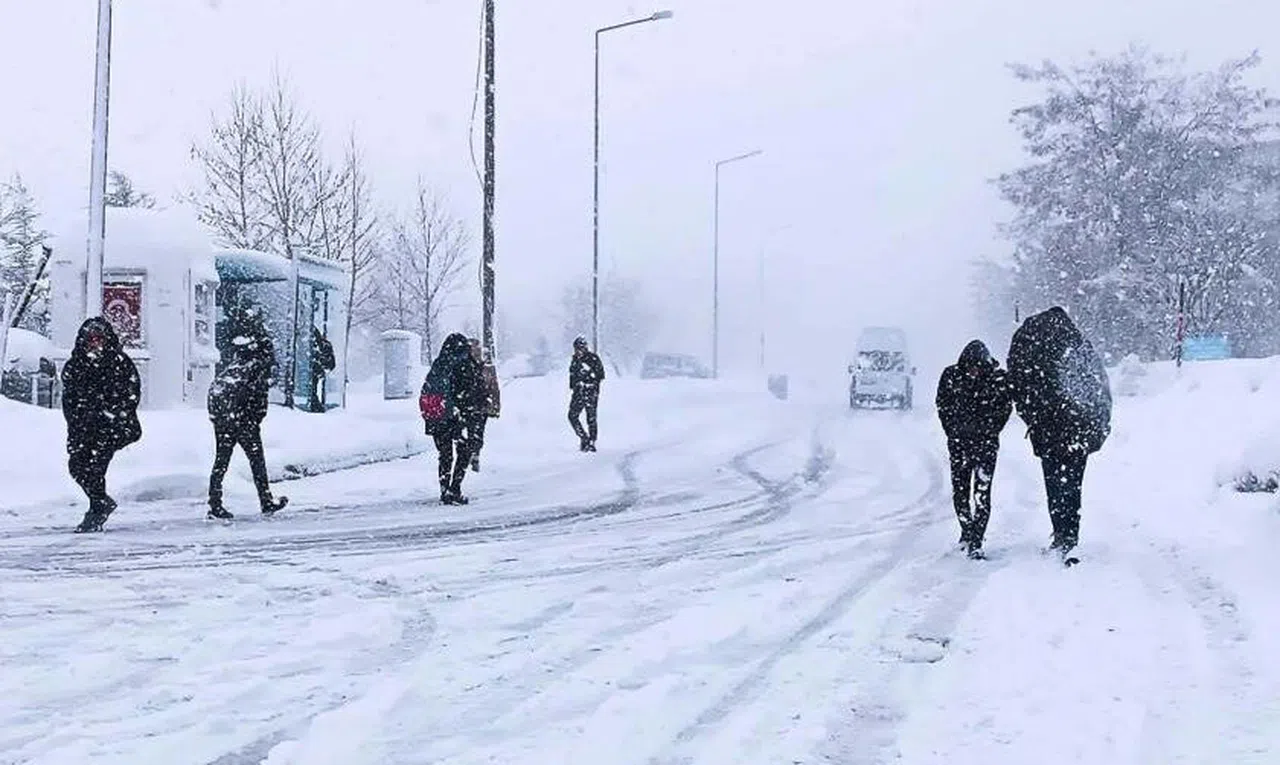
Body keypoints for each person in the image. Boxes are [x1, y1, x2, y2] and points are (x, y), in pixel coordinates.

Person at [1007, 306, 1112, 559]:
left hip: (1049, 432)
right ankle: (1070, 533)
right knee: (1073, 484)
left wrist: (1033, 418)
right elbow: (1099, 389)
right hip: (1079, 431)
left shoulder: (1033, 349)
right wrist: (1096, 427)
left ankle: (1060, 532)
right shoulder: (1078, 347)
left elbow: (1020, 387)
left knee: (1054, 484)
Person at [207, 303, 288, 520]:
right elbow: (257, 394)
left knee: (221, 460)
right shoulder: (257, 364)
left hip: (225, 419)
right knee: (257, 461)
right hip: (244, 422)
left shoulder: (237, 361)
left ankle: (215, 503)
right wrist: (252, 417)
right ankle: (265, 500)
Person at [60, 317, 142, 533]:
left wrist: (114, 415)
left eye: (99, 339)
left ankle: (96, 511)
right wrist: (77, 424)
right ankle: (100, 501)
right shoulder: (75, 365)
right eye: (90, 339)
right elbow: (69, 401)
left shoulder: (119, 363)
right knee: (77, 467)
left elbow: (131, 395)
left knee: (96, 467)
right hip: (84, 429)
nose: (95, 344)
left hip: (113, 428)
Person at [936, 340, 1012, 559]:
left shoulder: (997, 380)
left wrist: (990, 430)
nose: (973, 372)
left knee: (982, 493)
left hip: (985, 446)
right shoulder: (951, 376)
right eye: (970, 367)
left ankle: (976, 538)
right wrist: (952, 431)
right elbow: (943, 405)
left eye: (977, 367)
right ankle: (967, 530)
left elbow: (1005, 408)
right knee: (960, 492)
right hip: (959, 444)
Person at [420, 333, 482, 504]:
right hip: (455, 416)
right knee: (464, 451)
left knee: (445, 454)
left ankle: (444, 489)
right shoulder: (462, 363)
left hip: (436, 416)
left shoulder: (439, 363)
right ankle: (455, 488)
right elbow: (468, 391)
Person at [467, 338, 501, 472]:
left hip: (481, 405)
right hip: (468, 405)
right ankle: (471, 454)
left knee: (478, 431)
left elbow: (494, 388)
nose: (476, 351)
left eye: (477, 348)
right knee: (471, 431)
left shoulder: (487, 368)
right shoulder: (464, 367)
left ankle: (475, 454)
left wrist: (495, 406)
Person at [568, 336, 605, 452]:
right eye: (576, 348)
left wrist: (589, 378)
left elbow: (601, 375)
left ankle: (592, 442)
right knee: (572, 416)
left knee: (591, 418)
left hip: (590, 392)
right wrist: (574, 385)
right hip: (578, 393)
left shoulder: (593, 358)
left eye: (580, 348)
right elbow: (572, 375)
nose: (578, 351)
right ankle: (584, 437)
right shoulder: (575, 360)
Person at [308, 327, 336, 413]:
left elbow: (331, 364)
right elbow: (331, 364)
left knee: (312, 388)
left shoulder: (318, 344)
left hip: (314, 371)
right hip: (315, 371)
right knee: (313, 388)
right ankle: (315, 405)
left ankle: (315, 405)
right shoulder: (324, 344)